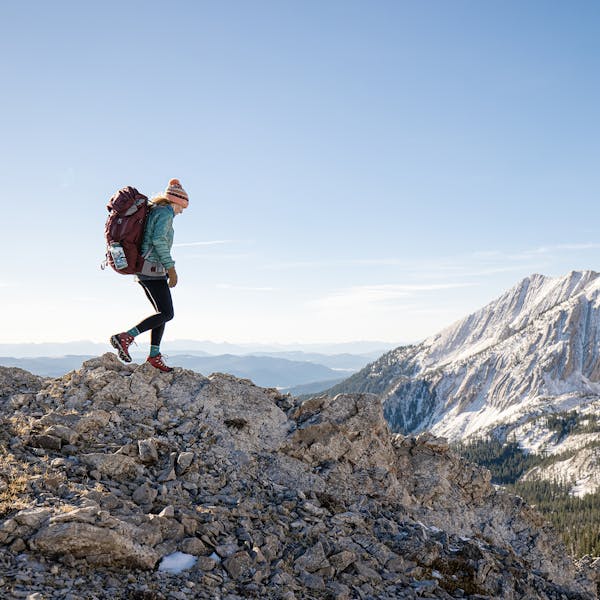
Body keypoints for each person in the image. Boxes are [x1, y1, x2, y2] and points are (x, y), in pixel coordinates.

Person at [110, 178, 189, 372]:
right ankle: (126, 337)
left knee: (161, 314)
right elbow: (158, 241)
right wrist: (171, 268)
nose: (183, 211)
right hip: (152, 267)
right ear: (176, 201)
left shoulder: (155, 210)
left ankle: (154, 355)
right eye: (183, 206)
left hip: (144, 267)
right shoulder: (165, 213)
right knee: (167, 313)